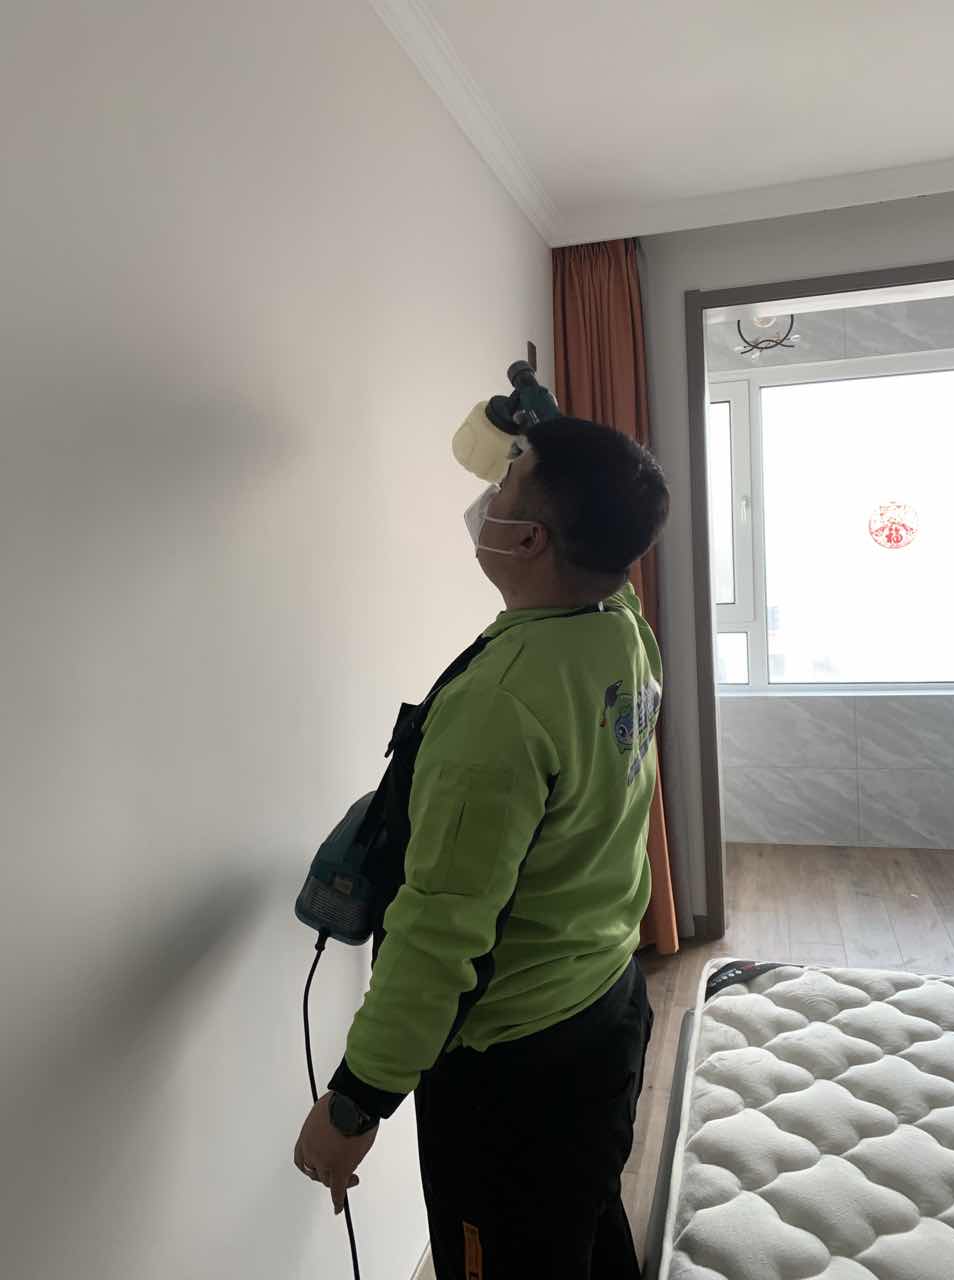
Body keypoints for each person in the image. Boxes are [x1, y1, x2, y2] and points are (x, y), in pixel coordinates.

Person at [294, 416, 670, 1278]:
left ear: (531, 540)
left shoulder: (499, 707)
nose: (490, 493)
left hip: (514, 1074)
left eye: (505, 484)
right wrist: (554, 441)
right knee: (584, 1222)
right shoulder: (620, 628)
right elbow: (601, 527)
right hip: (606, 1005)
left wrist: (352, 1104)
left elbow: (437, 935)